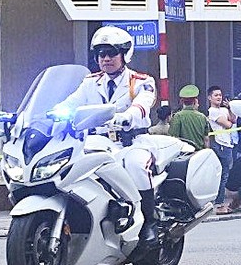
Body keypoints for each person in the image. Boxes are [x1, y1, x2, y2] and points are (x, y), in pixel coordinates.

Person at [52, 25, 163, 243]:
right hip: (99, 141)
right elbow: (71, 103)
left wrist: (128, 116)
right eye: (101, 54)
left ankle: (149, 222)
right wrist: (52, 113)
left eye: (112, 53)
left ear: (124, 54)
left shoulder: (140, 81)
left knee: (136, 165)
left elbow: (143, 104)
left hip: (132, 142)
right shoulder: (90, 83)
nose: (106, 59)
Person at [206, 87, 239, 213]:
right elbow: (228, 124)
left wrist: (230, 107)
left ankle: (223, 199)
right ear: (210, 98)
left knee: (226, 172)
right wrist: (229, 120)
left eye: (220, 95)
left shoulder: (224, 110)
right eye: (216, 95)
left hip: (228, 143)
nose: (219, 97)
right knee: (223, 174)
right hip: (220, 144)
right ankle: (219, 203)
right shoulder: (212, 111)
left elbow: (234, 119)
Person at [167, 85, 211, 152]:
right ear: (195, 101)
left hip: (183, 154)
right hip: (199, 153)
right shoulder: (202, 117)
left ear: (182, 101)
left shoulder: (177, 116)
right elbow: (206, 139)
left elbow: (173, 138)